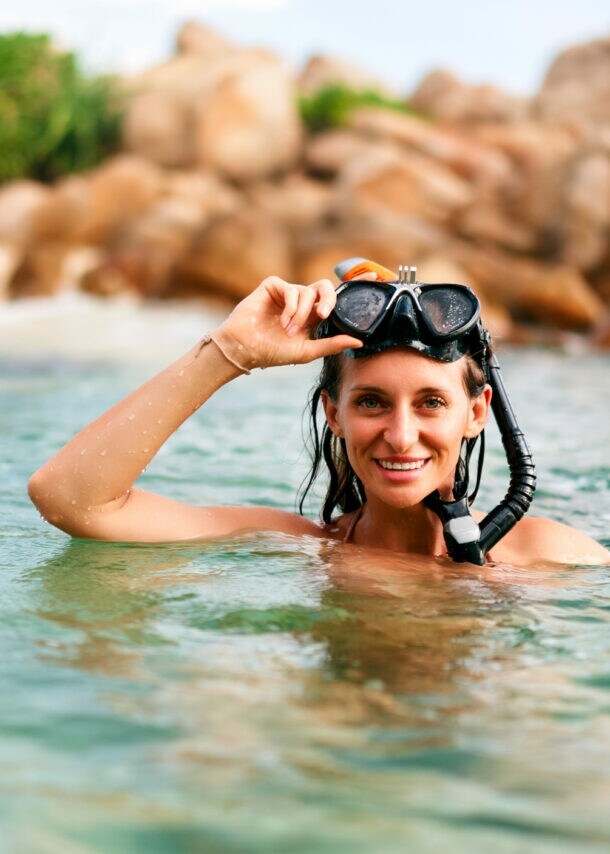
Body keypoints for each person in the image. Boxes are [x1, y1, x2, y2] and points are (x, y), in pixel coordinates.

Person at [28, 271, 609, 566]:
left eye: (431, 402)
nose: (400, 435)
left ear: (477, 413)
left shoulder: (552, 556)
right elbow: (71, 500)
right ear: (334, 414)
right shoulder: (300, 550)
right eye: (371, 402)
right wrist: (230, 353)